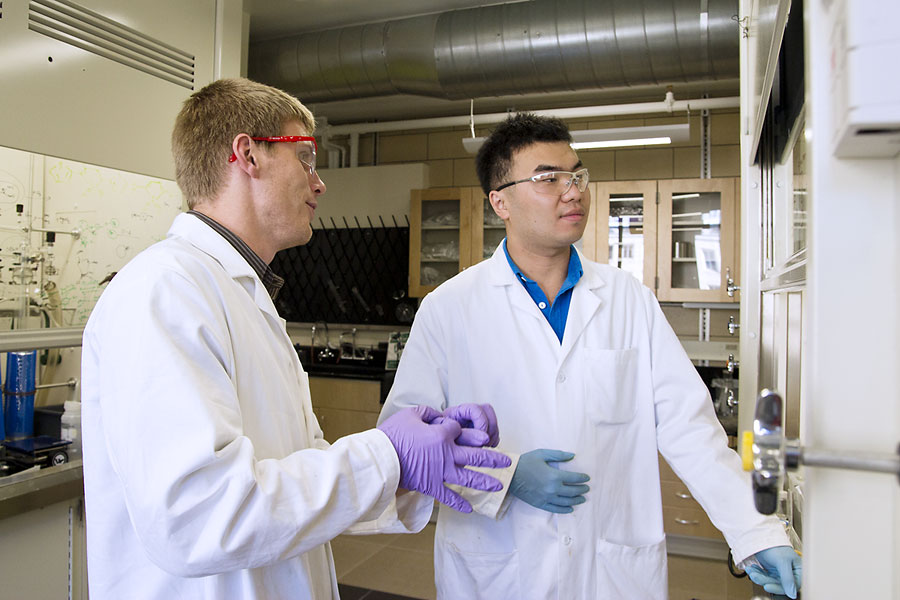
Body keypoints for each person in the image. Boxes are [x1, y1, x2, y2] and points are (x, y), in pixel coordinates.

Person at [80, 77, 511, 599]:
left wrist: (414, 466)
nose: (320, 181)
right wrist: (388, 455)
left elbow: (296, 481)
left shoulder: (243, 296)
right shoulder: (163, 290)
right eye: (306, 157)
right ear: (248, 155)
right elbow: (197, 517)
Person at [379, 113, 802, 599]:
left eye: (576, 175)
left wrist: (755, 532)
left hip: (612, 571)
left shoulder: (628, 299)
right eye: (547, 178)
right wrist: (504, 477)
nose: (573, 190)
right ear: (501, 203)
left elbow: (690, 429)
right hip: (498, 570)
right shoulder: (449, 308)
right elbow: (407, 445)